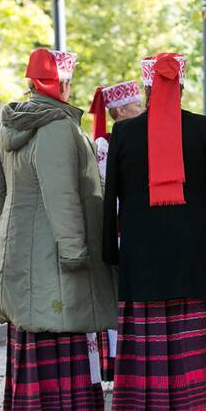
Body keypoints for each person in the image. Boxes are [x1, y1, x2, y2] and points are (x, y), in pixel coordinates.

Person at [103, 52, 206, 411]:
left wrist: (109, 250)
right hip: (198, 253)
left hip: (143, 253)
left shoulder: (125, 133)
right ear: (180, 87)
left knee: (151, 337)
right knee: (190, 336)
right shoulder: (204, 128)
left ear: (148, 89)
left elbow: (110, 197)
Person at [0, 49, 117, 411]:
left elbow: (0, 190)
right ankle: (60, 409)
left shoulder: (7, 126)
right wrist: (75, 248)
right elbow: (61, 194)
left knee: (32, 321)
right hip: (52, 244)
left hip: (18, 238)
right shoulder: (58, 127)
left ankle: (33, 408)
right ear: (60, 83)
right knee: (58, 316)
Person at [88, 80, 145, 381]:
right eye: (138, 105)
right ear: (121, 109)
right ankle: (115, 357)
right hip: (120, 226)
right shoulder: (104, 145)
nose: (142, 108)